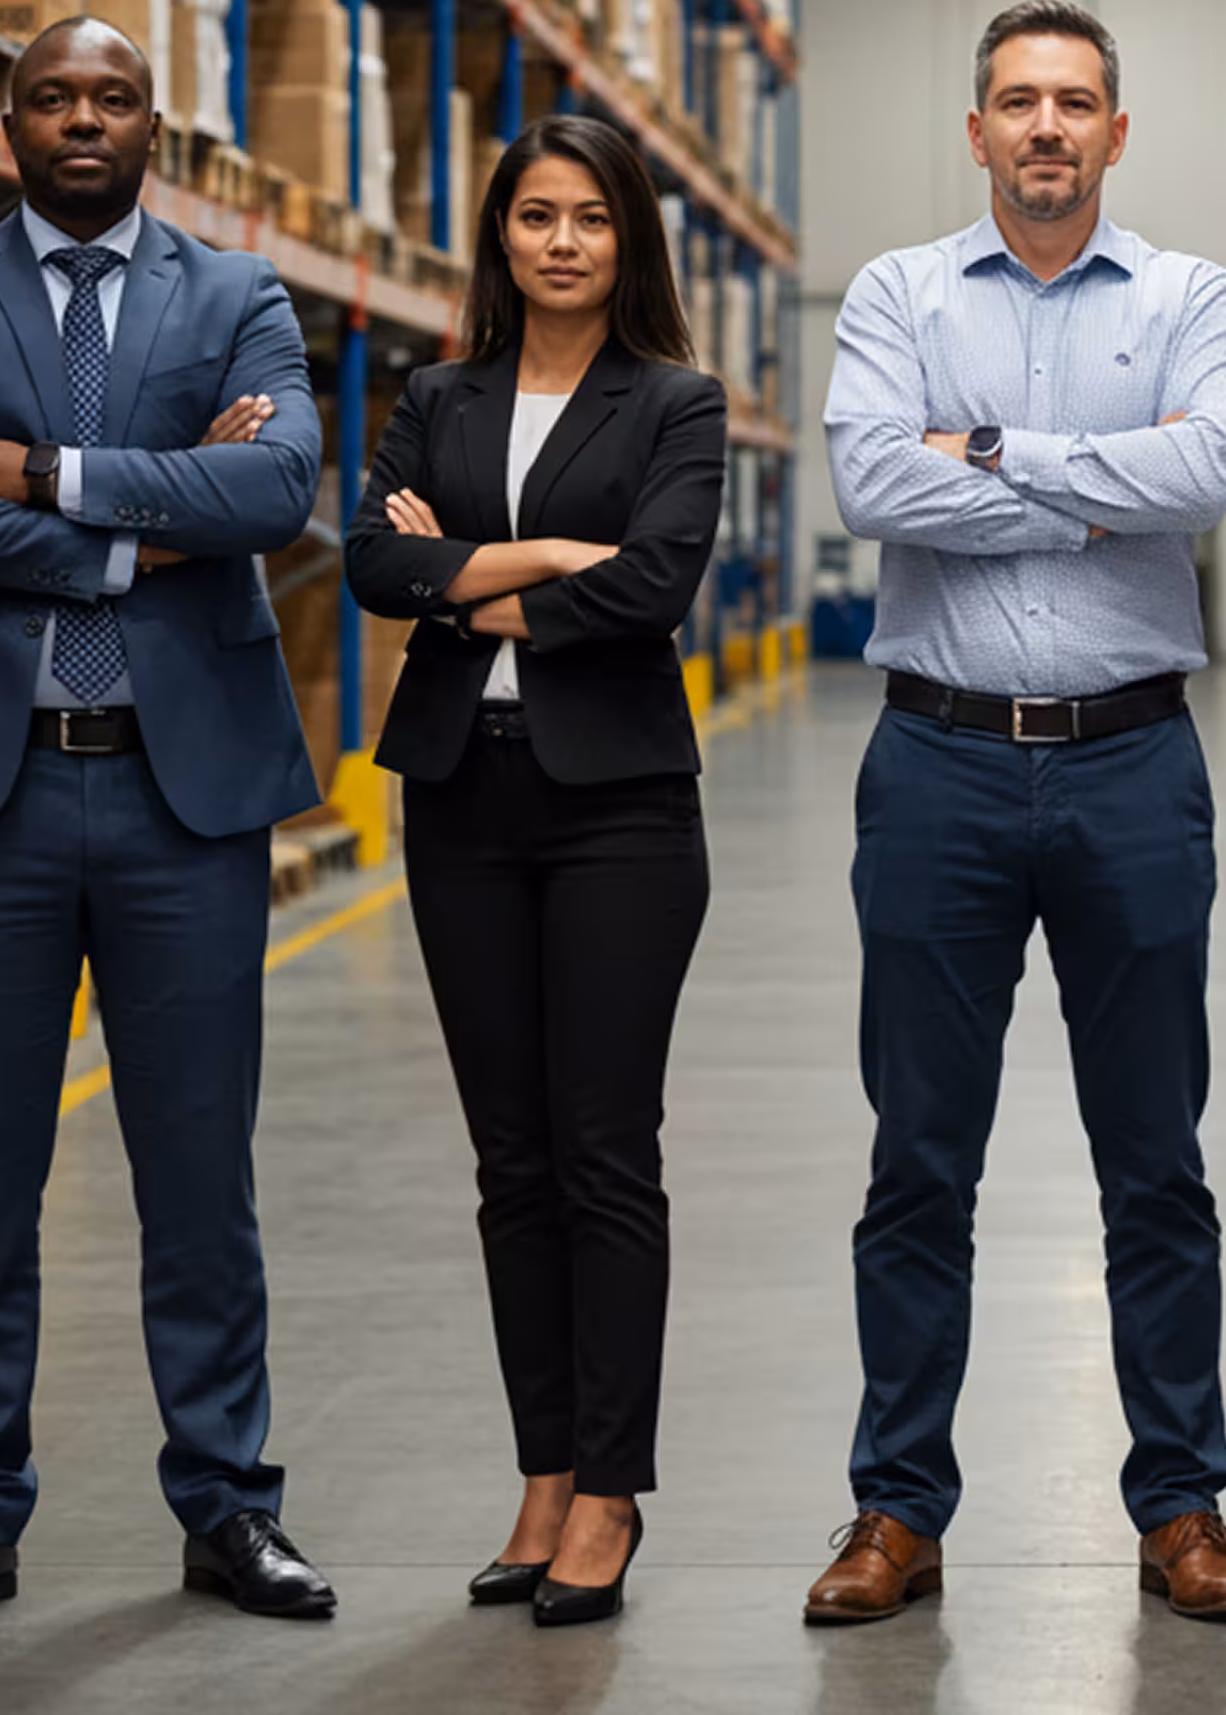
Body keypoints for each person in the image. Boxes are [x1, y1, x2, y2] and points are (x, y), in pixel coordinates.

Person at [0, 17, 334, 1630]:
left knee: (202, 1173)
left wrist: (42, 474)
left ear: (153, 122)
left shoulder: (239, 293)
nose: (81, 120)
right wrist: (141, 528)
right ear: (9, 119)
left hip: (180, 793)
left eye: (111, 97)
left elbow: (275, 498)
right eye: (52, 96)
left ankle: (229, 1507)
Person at [804, 0, 1226, 1628]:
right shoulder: (896, 293)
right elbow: (872, 485)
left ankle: (1183, 1502)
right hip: (935, 765)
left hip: (1136, 762)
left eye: (1077, 101)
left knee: (1158, 1160)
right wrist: (1092, 491)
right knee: (920, 1157)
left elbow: (1206, 473)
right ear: (979, 129)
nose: (1048, 127)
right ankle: (896, 1506)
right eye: (1019, 101)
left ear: (1117, 132)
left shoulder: (1192, 294)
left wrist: (991, 452)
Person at [345, 115, 726, 1630]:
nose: (562, 241)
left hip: (621, 808)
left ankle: (613, 1487)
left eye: (590, 218)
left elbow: (657, 584)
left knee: (601, 1150)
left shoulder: (675, 402)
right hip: (461, 800)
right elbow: (374, 568)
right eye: (535, 216)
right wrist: (548, 560)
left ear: (628, 238)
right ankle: (542, 1474)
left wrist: (471, 577)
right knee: (511, 1163)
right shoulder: (436, 393)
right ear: (499, 236)